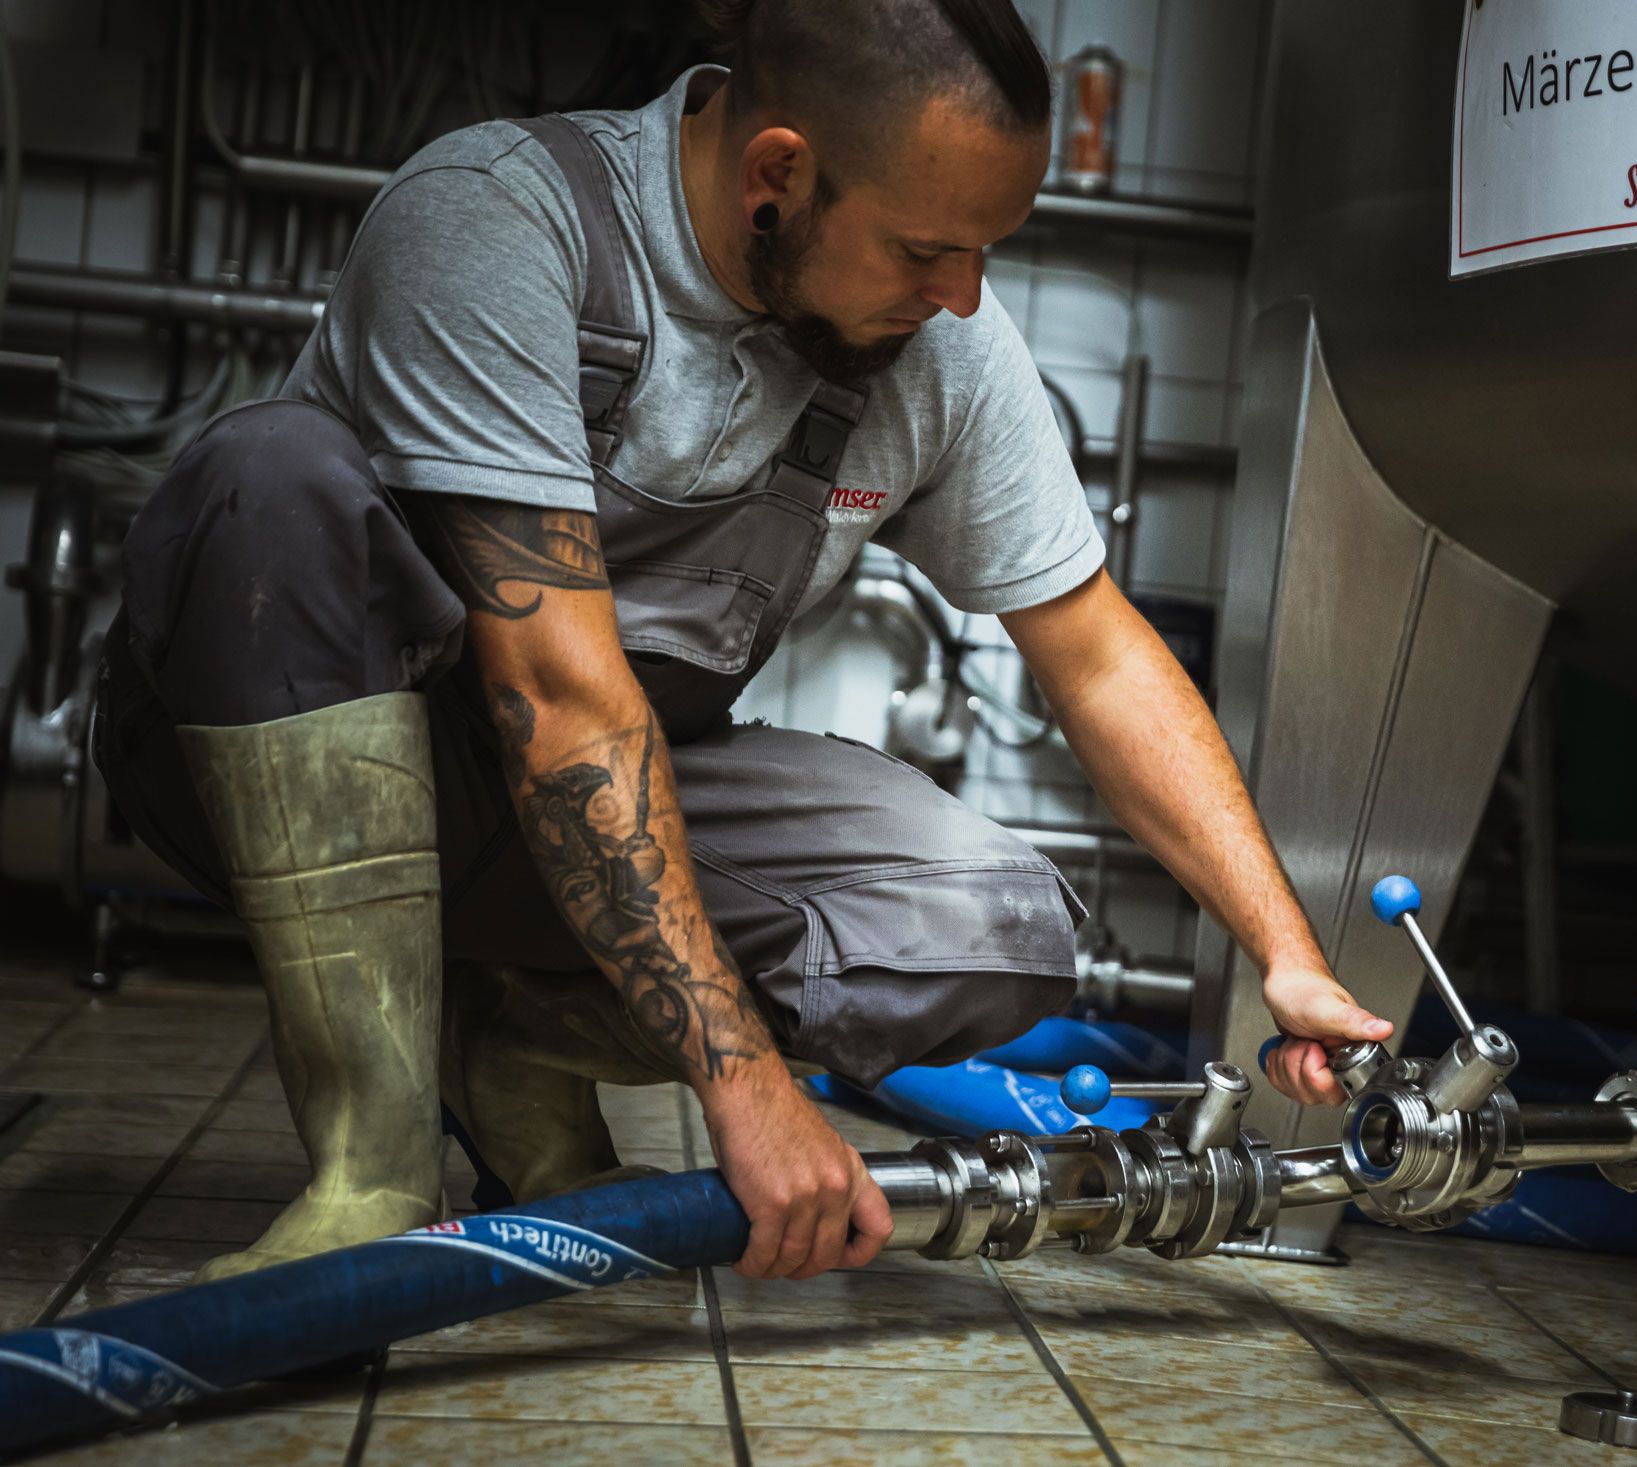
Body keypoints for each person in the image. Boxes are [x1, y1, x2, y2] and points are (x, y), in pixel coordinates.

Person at [92, 0, 1390, 1286]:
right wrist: (747, 1088)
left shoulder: (937, 351)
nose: (963, 296)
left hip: (568, 802)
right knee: (267, 474)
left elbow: (1097, 654)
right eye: (927, 249)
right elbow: (559, 698)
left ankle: (518, 1041)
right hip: (288, 763)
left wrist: (1287, 955)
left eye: (987, 250)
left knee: (997, 927)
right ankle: (371, 1166)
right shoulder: (499, 219)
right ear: (779, 174)